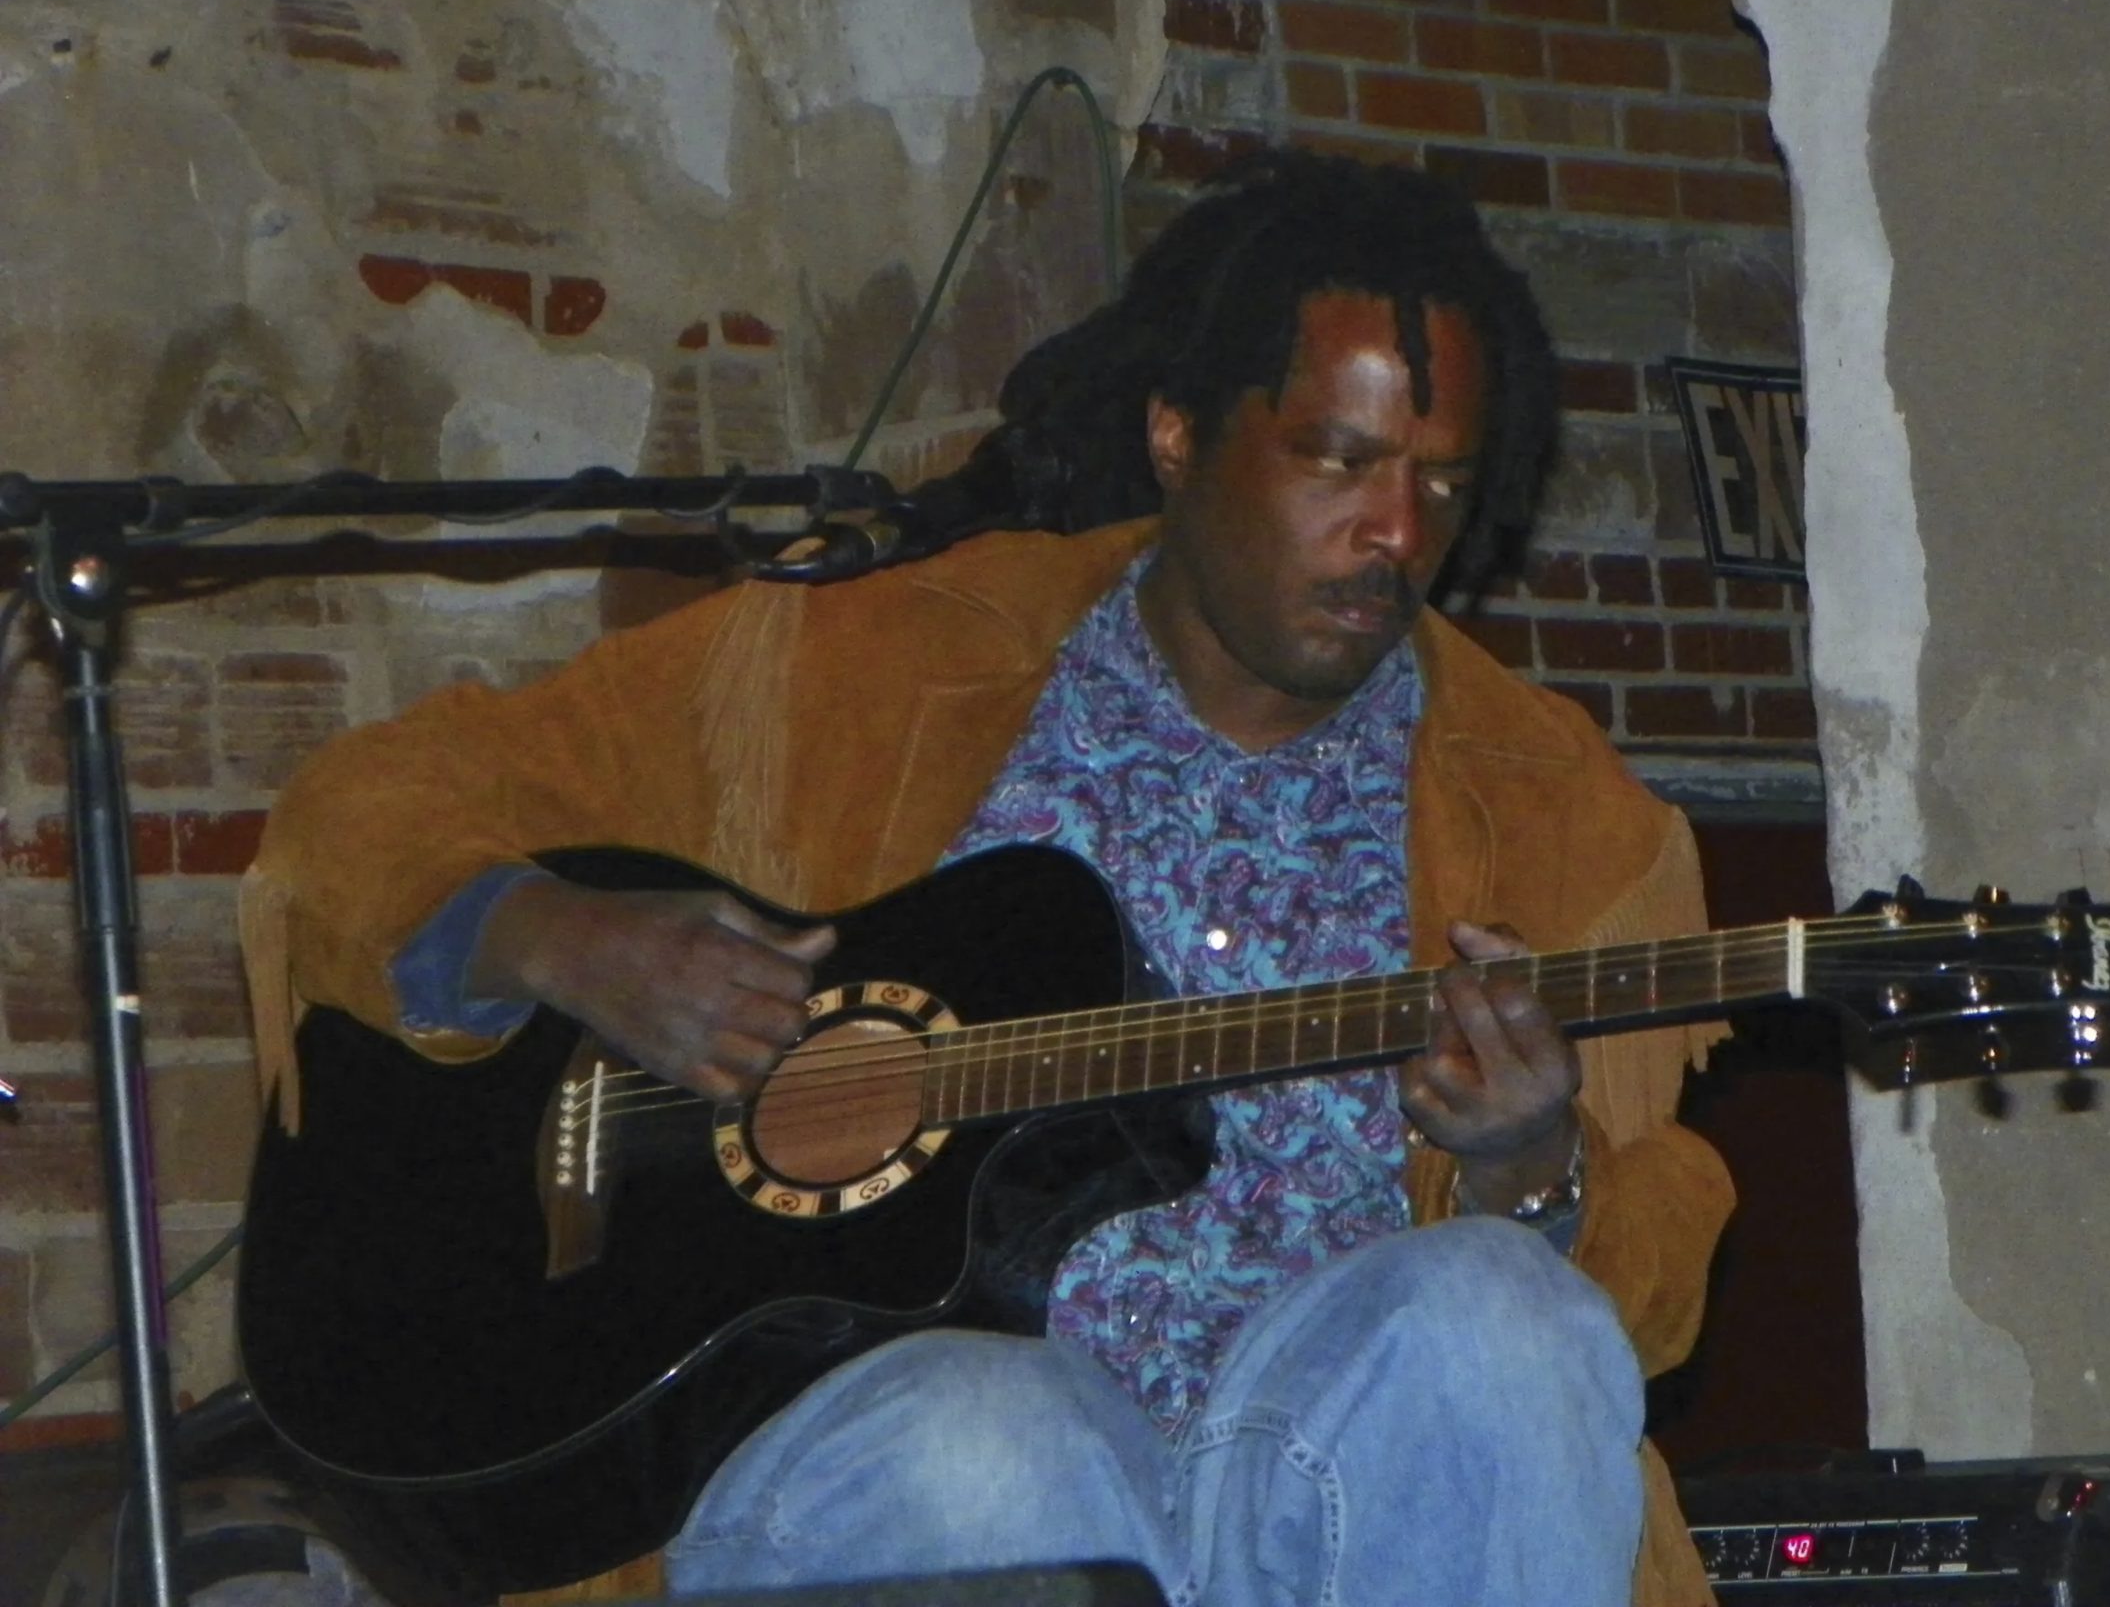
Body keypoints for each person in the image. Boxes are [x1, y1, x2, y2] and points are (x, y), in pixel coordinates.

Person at [245, 151, 1734, 1607]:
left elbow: (1647, 1297)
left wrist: (1532, 1173)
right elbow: (361, 812)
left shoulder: (1562, 820)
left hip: (1334, 1498)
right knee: (1002, 1437)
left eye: (1443, 484)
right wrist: (566, 941)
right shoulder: (857, 674)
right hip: (916, 1454)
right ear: (1176, 436)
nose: (1398, 536)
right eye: (1338, 461)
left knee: (1503, 1321)